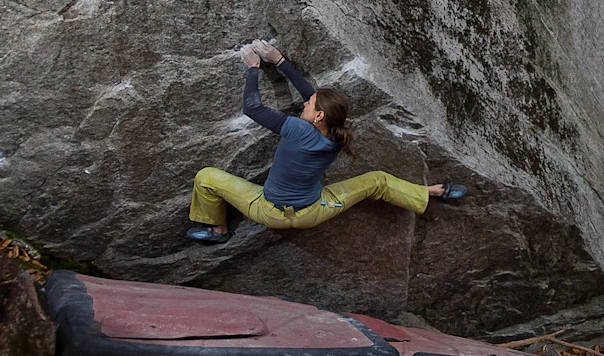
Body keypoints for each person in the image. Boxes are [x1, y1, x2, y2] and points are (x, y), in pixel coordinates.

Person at [185, 39, 466, 244]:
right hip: (316, 211)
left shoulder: (295, 128)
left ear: (319, 114)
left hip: (267, 211)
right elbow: (315, 96)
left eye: (309, 104)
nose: (304, 102)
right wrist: (281, 61)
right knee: (377, 181)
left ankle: (218, 231)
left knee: (207, 177)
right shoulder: (336, 135)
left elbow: (252, 108)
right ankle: (430, 192)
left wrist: (254, 67)